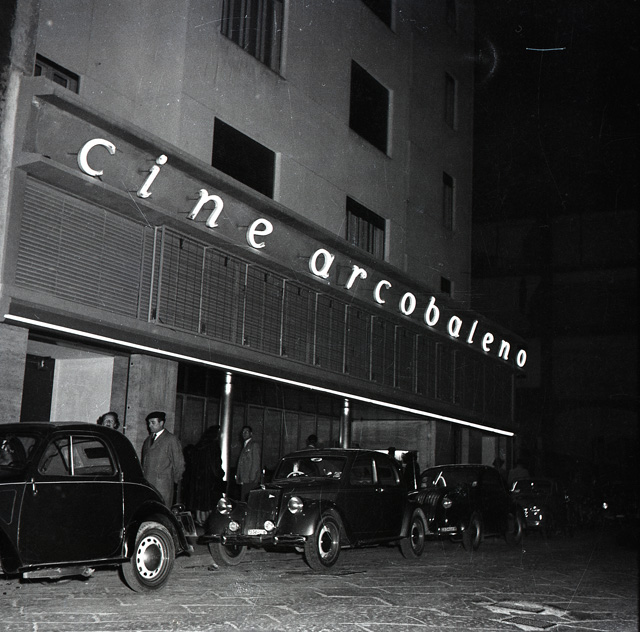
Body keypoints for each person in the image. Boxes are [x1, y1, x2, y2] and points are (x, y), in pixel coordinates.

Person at [141, 411, 185, 506]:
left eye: (153, 422)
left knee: (162, 508)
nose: (149, 425)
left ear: (161, 423)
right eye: (149, 423)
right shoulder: (148, 440)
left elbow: (179, 463)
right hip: (148, 483)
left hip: (163, 486)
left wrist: (173, 482)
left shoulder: (171, 439)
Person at [189, 425, 225, 525]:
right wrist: (220, 474)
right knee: (210, 502)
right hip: (209, 479)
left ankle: (199, 519)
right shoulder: (214, 446)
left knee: (200, 501)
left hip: (198, 479)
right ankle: (209, 522)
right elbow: (215, 465)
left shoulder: (199, 445)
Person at [235, 425, 261, 501]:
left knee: (249, 500)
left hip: (250, 480)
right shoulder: (245, 446)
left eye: (246, 432)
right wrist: (239, 477)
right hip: (244, 480)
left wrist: (252, 478)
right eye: (243, 432)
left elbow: (256, 462)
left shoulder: (254, 445)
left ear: (251, 433)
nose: (244, 434)